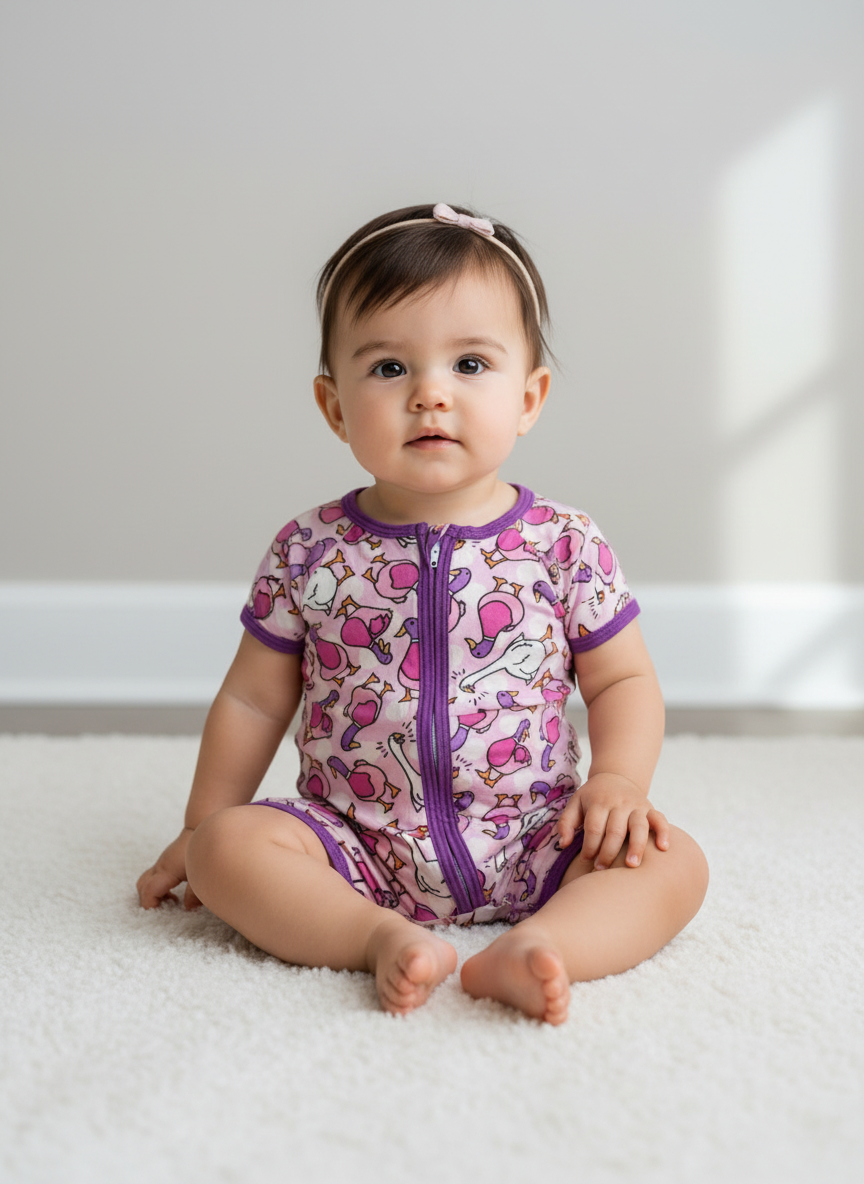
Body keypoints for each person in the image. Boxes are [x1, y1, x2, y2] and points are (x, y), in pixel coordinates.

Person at [137, 202, 709, 1025]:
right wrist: (199, 828)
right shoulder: (310, 550)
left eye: (470, 364)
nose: (430, 394)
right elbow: (253, 701)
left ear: (530, 398)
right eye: (389, 368)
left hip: (536, 835)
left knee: (672, 861)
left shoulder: (564, 543)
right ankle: (375, 937)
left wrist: (618, 781)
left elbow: (622, 680)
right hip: (352, 844)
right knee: (230, 849)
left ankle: (543, 946)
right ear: (335, 408)